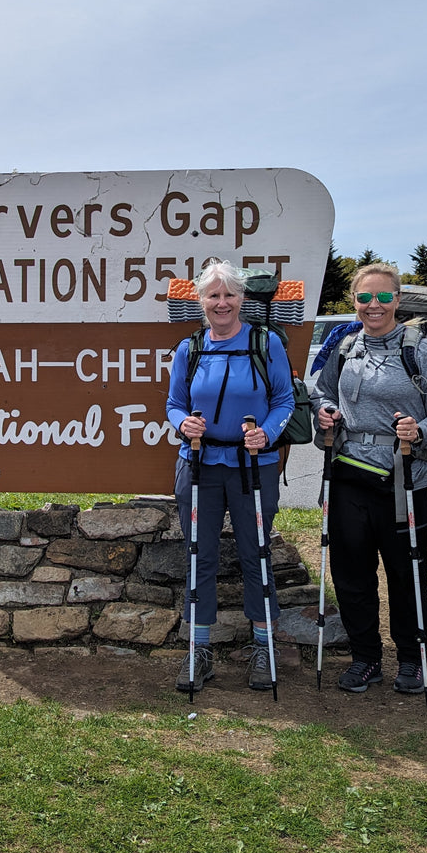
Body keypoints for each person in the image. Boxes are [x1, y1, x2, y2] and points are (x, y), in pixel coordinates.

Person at [313, 263, 427, 695]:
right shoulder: (345, 346)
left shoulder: (422, 351)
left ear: (397, 300)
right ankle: (365, 658)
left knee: (406, 571)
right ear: (353, 302)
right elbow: (322, 392)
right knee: (351, 572)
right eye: (364, 298)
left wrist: (420, 431)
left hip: (406, 478)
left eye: (382, 297)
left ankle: (412, 658)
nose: (373, 306)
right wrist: (324, 412)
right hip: (349, 474)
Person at [165, 259, 296, 693]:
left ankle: (263, 648)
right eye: (213, 295)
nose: (221, 303)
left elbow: (284, 400)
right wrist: (184, 424)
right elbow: (174, 404)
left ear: (242, 299)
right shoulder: (191, 348)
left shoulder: (266, 342)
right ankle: (198, 652)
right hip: (199, 464)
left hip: (252, 466)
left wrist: (268, 433)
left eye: (229, 295)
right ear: (200, 300)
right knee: (198, 554)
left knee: (256, 554)